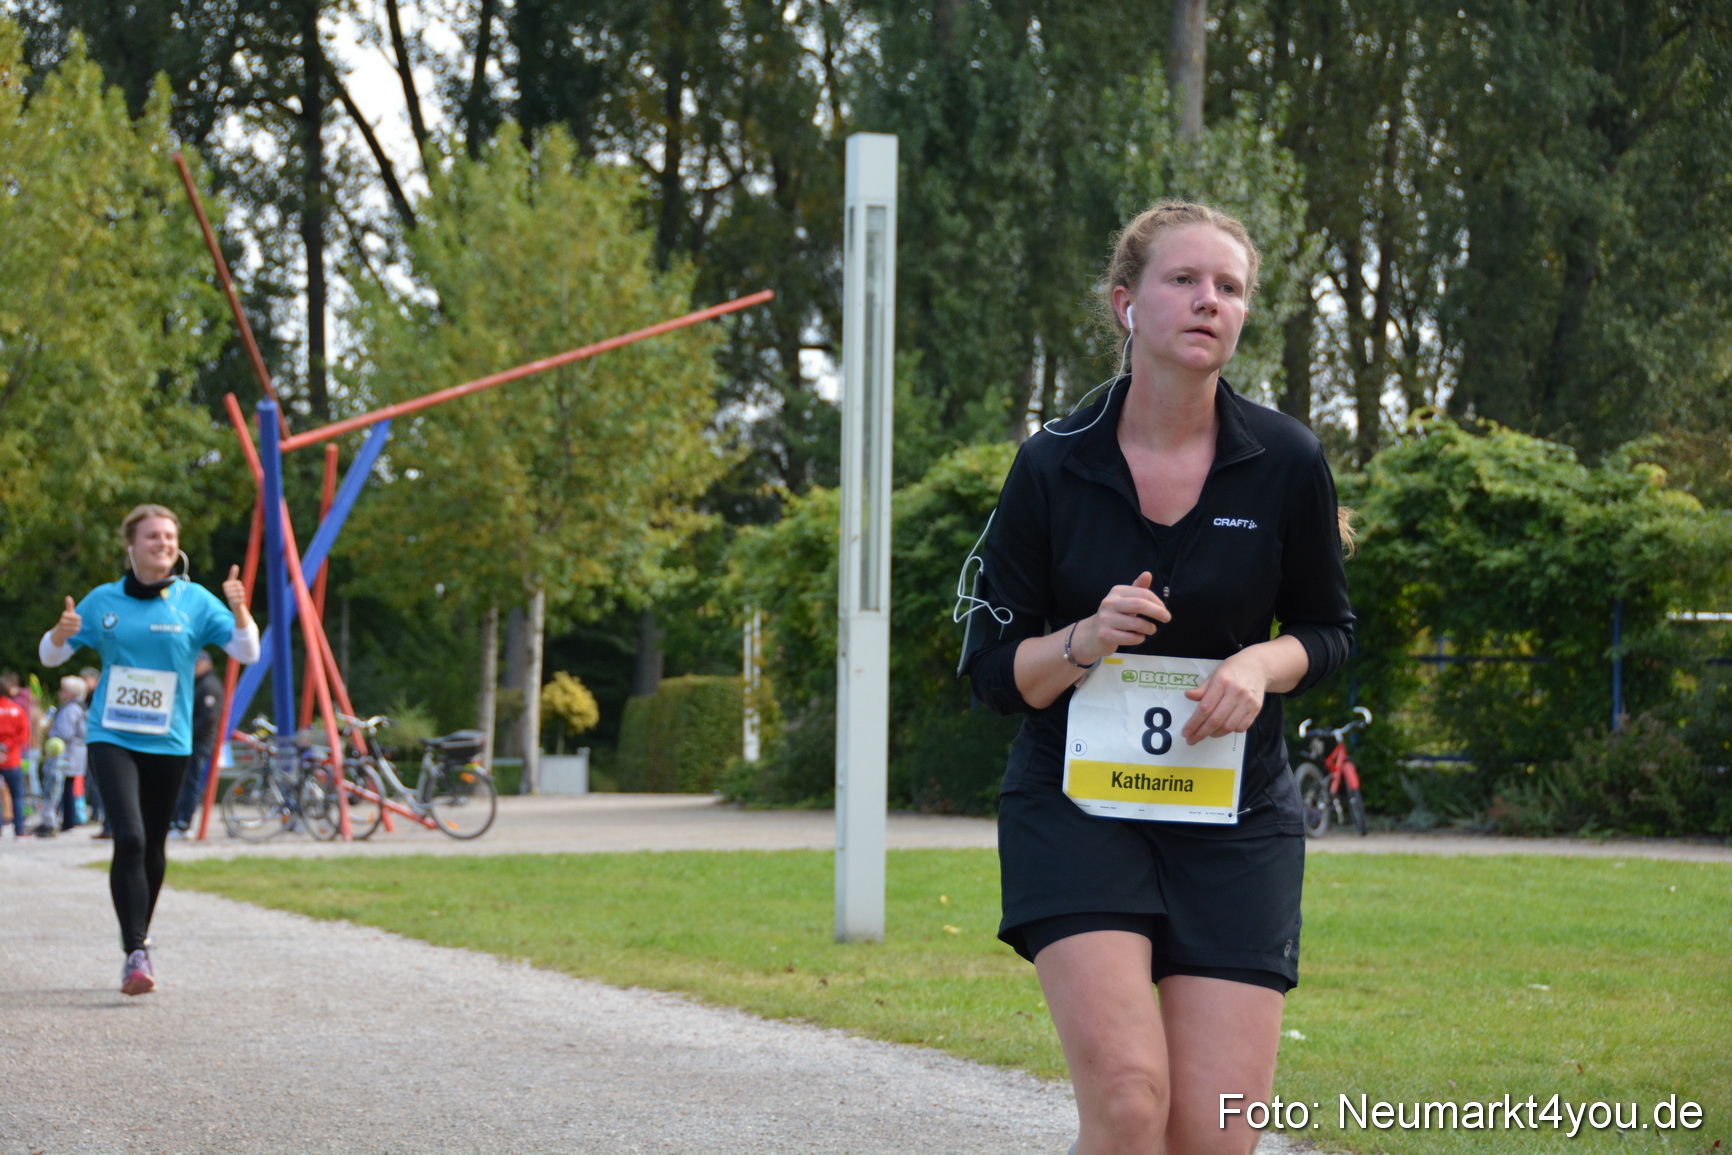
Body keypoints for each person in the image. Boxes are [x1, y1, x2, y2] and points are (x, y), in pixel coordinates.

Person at [962, 200, 1353, 1155]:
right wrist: (1085, 637)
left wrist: (1261, 663)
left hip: (1235, 818)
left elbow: (1329, 632)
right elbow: (991, 674)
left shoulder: (1289, 462)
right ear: (1125, 303)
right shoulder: (1052, 465)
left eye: (1230, 287)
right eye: (1184, 280)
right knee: (1132, 1101)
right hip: (1078, 810)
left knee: (1214, 1132)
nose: (1208, 301)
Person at [39, 503, 259, 995]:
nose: (163, 543)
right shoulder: (102, 601)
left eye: (169, 536)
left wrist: (240, 609)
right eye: (153, 536)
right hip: (111, 736)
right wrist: (60, 632)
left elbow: (248, 652)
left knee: (154, 847)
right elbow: (51, 655)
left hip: (170, 741)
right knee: (131, 838)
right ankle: (135, 950)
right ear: (131, 545)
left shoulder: (195, 602)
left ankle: (139, 934)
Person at [170, 651, 224, 836]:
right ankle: (177, 820)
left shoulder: (209, 686)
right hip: (192, 740)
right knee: (183, 782)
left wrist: (185, 733)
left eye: (195, 664)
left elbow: (208, 718)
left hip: (199, 741)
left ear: (205, 663)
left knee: (191, 782)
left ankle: (184, 823)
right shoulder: (199, 683)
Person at [36, 676, 90, 837]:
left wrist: (50, 729)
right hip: (76, 754)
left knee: (56, 788)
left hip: (65, 755)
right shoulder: (81, 707)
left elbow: (64, 733)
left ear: (71, 693)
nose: (60, 693)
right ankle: (68, 822)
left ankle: (52, 822)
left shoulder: (69, 709)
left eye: (63, 690)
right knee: (68, 788)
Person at [0, 681, 31, 840]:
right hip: (11, 758)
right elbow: (23, 735)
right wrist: (6, 746)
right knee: (17, 795)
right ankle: (19, 830)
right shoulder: (17, 710)